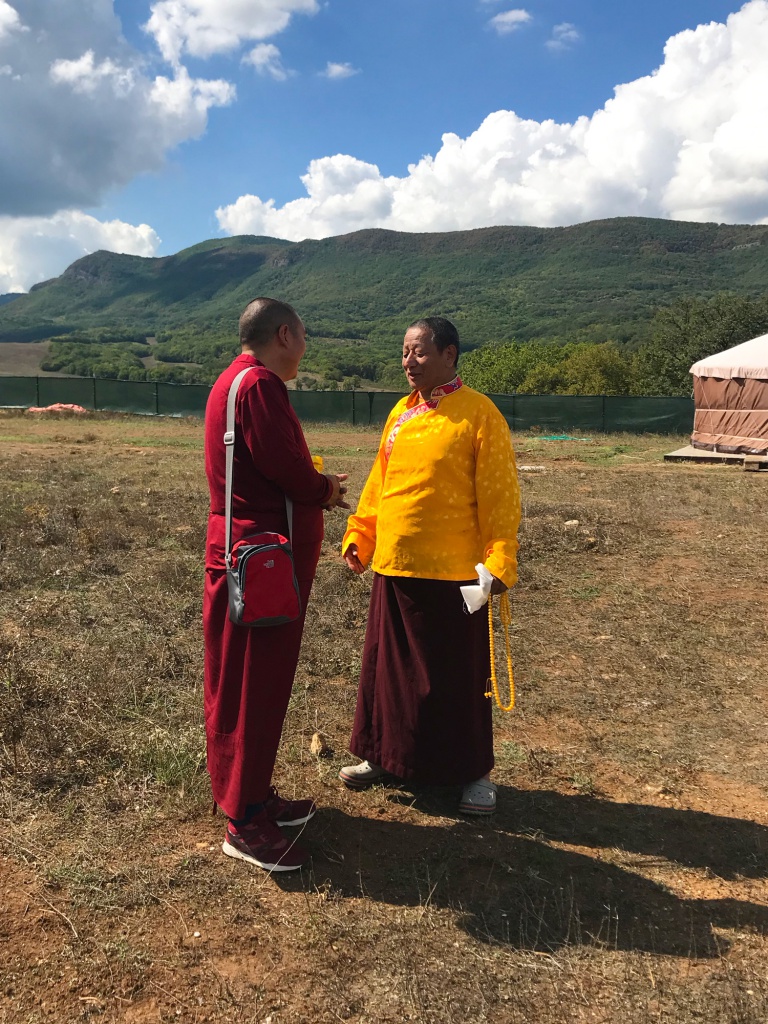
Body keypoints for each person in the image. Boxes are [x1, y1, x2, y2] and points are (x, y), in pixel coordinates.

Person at [340, 316, 521, 815]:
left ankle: (473, 774)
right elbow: (380, 483)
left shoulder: (479, 414)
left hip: (456, 575)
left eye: (419, 352)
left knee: (458, 679)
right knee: (388, 674)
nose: (409, 362)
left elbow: (500, 495)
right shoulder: (400, 412)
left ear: (449, 354)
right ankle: (385, 757)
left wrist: (500, 556)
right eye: (405, 352)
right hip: (395, 566)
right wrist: (362, 534)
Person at [204, 297, 348, 871]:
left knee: (248, 680)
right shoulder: (260, 386)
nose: (304, 348)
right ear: (284, 334)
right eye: (304, 337)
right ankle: (243, 821)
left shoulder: (232, 381)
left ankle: (253, 794)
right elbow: (286, 469)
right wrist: (326, 489)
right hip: (260, 566)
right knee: (253, 685)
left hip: (248, 559)